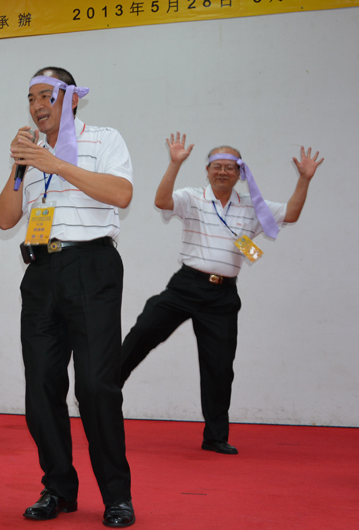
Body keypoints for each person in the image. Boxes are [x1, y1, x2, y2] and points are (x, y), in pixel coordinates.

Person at [119, 134, 323, 456]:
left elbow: (292, 213)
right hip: (186, 286)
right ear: (208, 170)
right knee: (142, 333)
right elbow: (162, 201)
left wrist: (304, 179)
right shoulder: (192, 197)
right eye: (217, 166)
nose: (223, 172)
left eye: (230, 167)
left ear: (240, 173)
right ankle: (102, 392)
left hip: (223, 296)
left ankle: (215, 436)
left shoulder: (252, 206)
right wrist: (175, 163)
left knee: (220, 368)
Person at [0, 67, 135, 528]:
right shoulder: (31, 155)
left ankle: (117, 496)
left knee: (95, 386)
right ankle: (58, 488)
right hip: (41, 273)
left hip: (91, 266)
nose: (37, 106)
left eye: (46, 96)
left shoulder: (104, 139)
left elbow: (121, 193)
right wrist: (20, 165)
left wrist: (55, 164)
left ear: (71, 98)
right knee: (41, 387)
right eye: (31, 98)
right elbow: (5, 219)